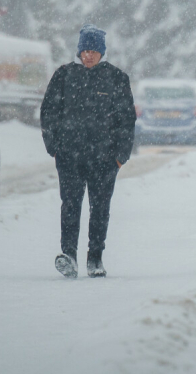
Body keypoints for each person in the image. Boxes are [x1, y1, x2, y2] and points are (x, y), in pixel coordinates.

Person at [39, 25, 136, 279]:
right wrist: (54, 148)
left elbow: (126, 120)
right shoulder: (64, 76)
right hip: (69, 157)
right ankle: (68, 255)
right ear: (78, 51)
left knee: (100, 208)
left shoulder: (116, 79)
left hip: (105, 160)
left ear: (102, 52)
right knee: (70, 206)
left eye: (93, 51)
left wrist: (119, 156)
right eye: (84, 50)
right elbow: (48, 112)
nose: (88, 56)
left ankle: (95, 258)